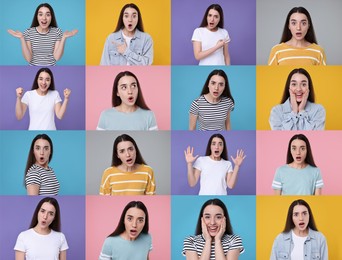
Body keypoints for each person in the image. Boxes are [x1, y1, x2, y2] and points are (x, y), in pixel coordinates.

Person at [8, 3, 78, 66]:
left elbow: (57, 57)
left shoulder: (57, 32)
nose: (44, 18)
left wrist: (64, 38)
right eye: (40, 14)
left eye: (47, 14)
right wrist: (22, 38)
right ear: (37, 17)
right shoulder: (28, 32)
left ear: (51, 17)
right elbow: (28, 59)